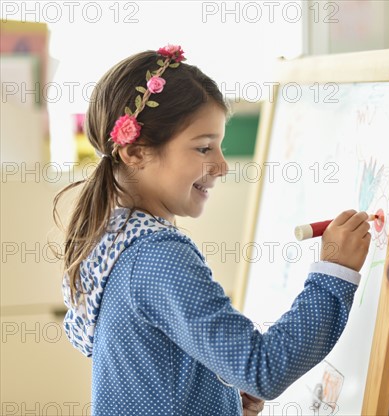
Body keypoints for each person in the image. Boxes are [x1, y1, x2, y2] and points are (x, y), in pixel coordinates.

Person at [53, 44, 372, 416]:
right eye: (204, 148)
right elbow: (262, 369)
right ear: (136, 152)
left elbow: (155, 374)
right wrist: (335, 271)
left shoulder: (114, 240)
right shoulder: (158, 257)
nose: (221, 165)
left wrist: (216, 398)